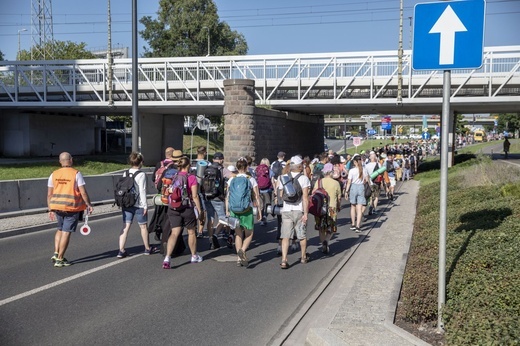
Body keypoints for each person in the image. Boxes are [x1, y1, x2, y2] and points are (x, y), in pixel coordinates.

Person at [47, 152, 94, 267]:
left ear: (60, 161)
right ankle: (60, 259)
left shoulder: (54, 174)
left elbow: (49, 194)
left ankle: (56, 252)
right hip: (71, 208)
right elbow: (82, 192)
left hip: (57, 207)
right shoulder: (76, 174)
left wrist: (50, 209)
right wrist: (88, 204)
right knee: (66, 232)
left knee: (60, 229)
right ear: (71, 160)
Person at [162, 156, 204, 269]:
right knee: (191, 232)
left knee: (174, 233)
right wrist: (199, 210)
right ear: (189, 165)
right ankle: (194, 256)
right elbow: (194, 196)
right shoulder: (191, 177)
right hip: (187, 208)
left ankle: (167, 258)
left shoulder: (174, 176)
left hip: (173, 207)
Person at [117, 152, 155, 258]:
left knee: (125, 226)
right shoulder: (141, 174)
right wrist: (145, 206)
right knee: (143, 227)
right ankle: (147, 248)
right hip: (138, 205)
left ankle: (121, 250)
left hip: (127, 203)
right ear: (141, 162)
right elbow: (142, 191)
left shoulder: (125, 173)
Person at [226, 158, 262, 267]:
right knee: (249, 233)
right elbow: (256, 197)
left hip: (234, 210)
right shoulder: (250, 179)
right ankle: (242, 249)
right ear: (246, 167)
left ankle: (238, 258)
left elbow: (228, 196)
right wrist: (259, 211)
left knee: (238, 234)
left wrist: (227, 210)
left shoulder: (231, 180)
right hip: (247, 210)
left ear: (236, 168)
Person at [278, 156, 311, 269]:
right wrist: (306, 213)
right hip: (299, 210)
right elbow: (305, 198)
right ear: (300, 166)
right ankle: (303, 257)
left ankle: (284, 260)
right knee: (302, 235)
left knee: (286, 236)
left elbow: (281, 195)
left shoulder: (282, 178)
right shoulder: (304, 179)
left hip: (286, 210)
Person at [312, 163, 341, 254]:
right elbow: (339, 197)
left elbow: (313, 193)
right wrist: (339, 206)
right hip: (332, 207)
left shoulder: (319, 181)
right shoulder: (336, 183)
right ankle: (327, 240)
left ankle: (323, 243)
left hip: (320, 207)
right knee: (331, 227)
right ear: (332, 172)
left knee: (321, 228)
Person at [204, 152, 228, 249]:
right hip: (218, 197)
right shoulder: (222, 169)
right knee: (223, 218)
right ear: (221, 159)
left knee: (210, 218)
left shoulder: (206, 168)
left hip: (208, 197)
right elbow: (233, 176)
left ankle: (210, 239)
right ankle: (215, 234)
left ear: (213, 159)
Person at [344, 154, 369, 233]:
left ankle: (353, 224)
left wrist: (346, 191)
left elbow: (349, 182)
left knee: (353, 206)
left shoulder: (352, 171)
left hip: (353, 187)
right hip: (361, 187)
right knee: (359, 208)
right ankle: (358, 226)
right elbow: (367, 180)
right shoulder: (364, 169)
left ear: (355, 162)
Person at [255, 157, 275, 226]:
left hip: (259, 190)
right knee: (267, 204)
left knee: (261, 205)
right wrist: (274, 190)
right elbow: (272, 181)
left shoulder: (258, 170)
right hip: (267, 190)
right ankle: (265, 216)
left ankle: (260, 217)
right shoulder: (270, 170)